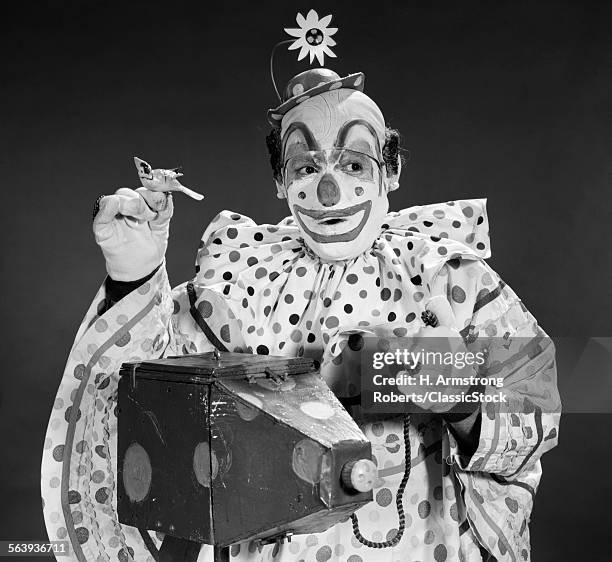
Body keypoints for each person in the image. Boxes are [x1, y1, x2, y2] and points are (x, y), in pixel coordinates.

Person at [41, 67, 561, 561]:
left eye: (355, 163)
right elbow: (146, 401)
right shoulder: (240, 281)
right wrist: (134, 273)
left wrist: (462, 401)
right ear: (280, 181)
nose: (329, 187)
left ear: (393, 171)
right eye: (307, 166)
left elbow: (532, 408)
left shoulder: (447, 276)